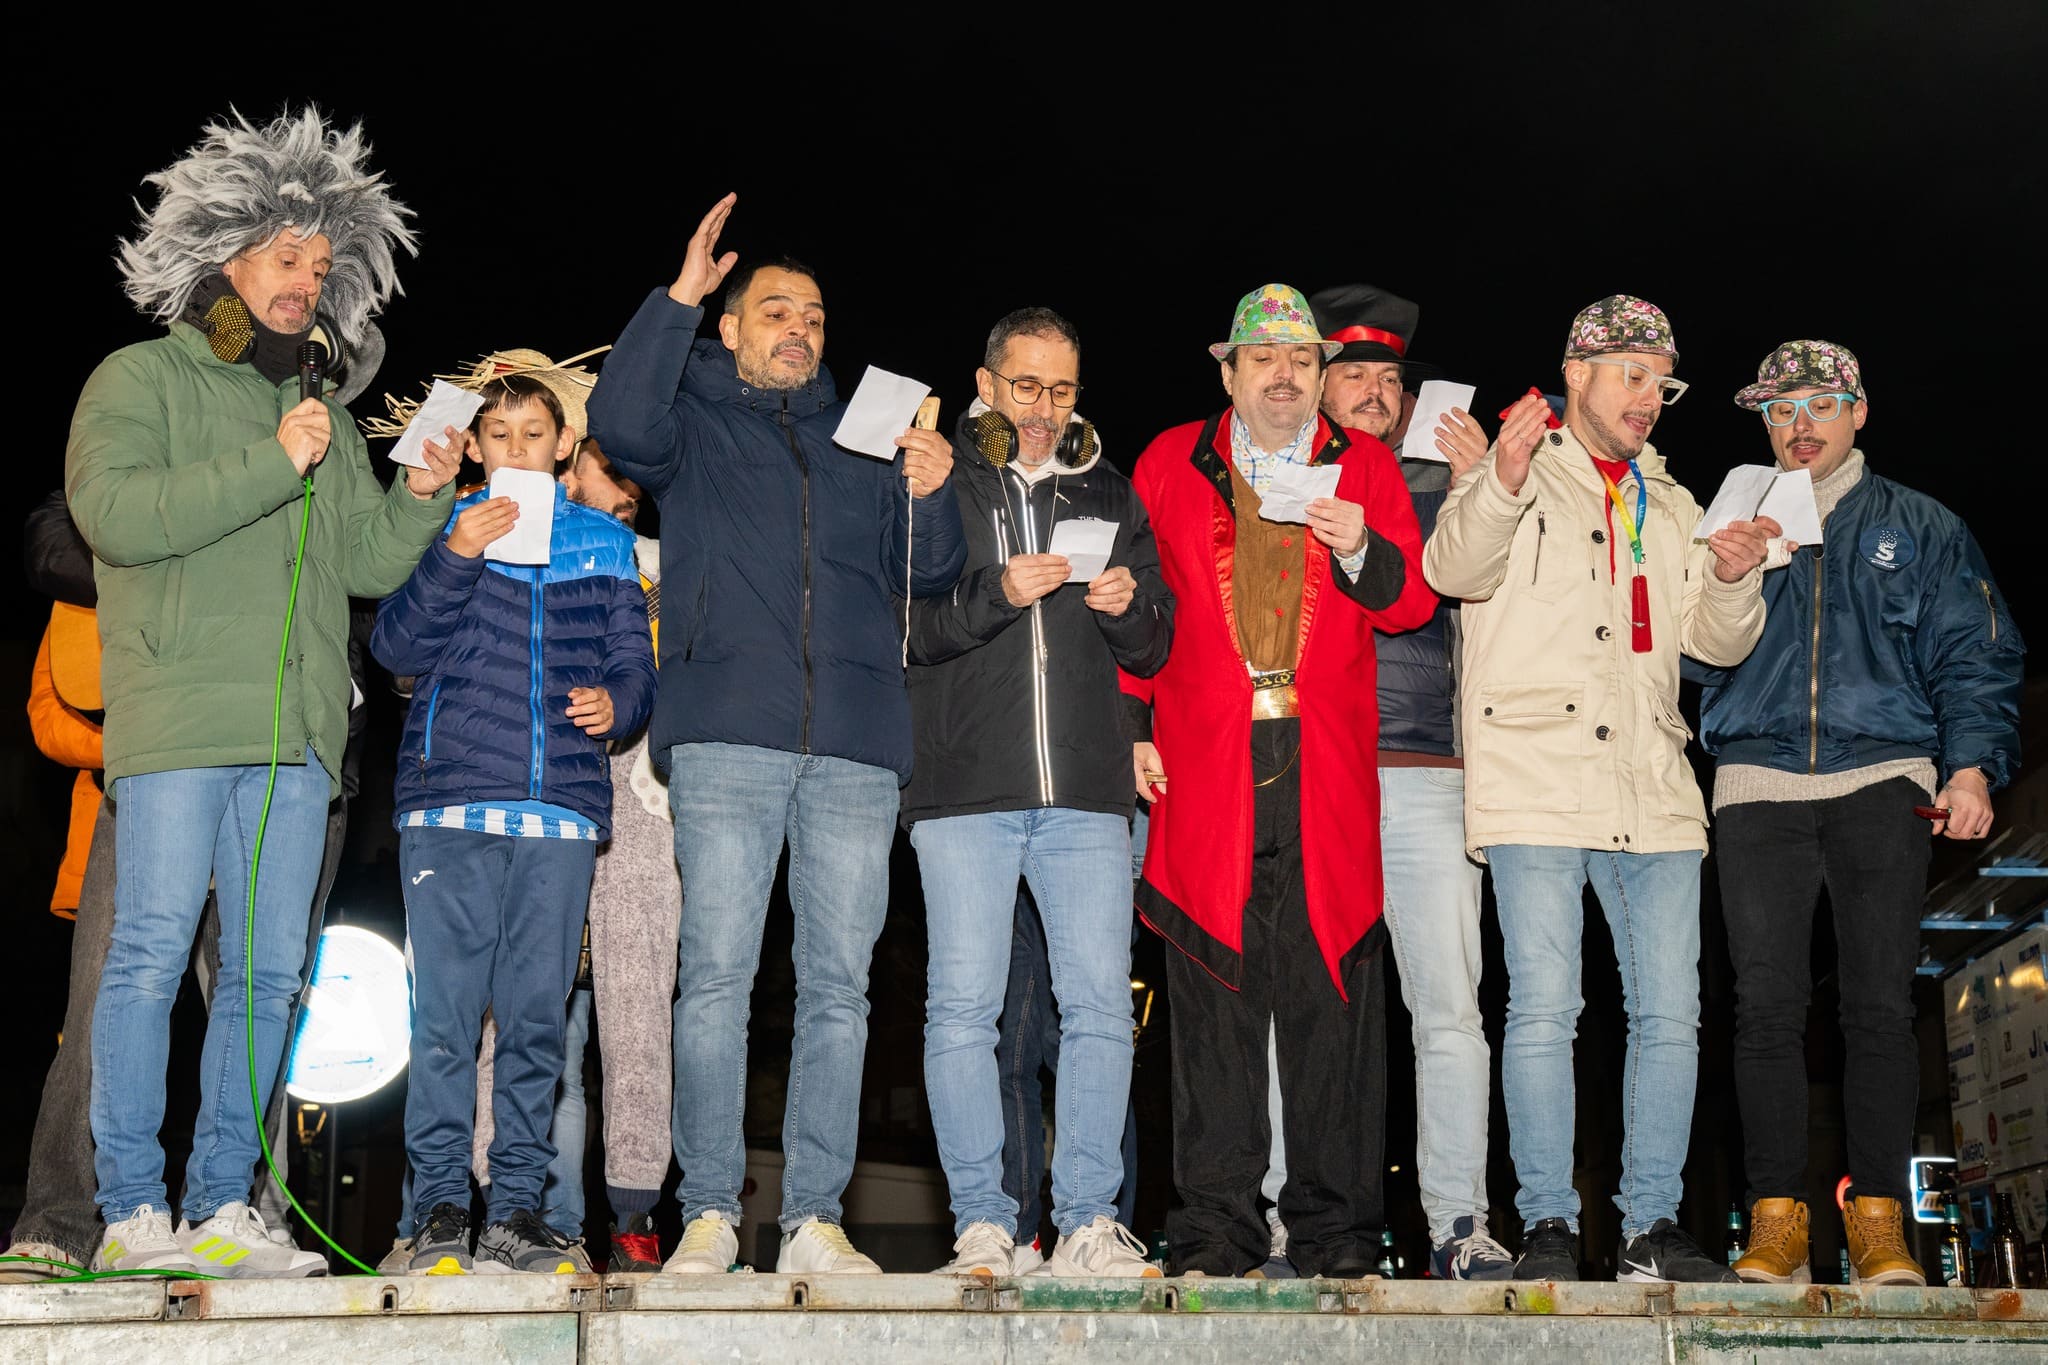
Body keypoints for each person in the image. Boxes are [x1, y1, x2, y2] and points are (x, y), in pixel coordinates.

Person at [63, 106, 458, 1278]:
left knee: (269, 975)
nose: (306, 281)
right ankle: (133, 1211)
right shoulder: (137, 379)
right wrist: (267, 459)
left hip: (295, 741)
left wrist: (422, 495)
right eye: (288, 256)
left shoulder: (328, 417)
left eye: (323, 266)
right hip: (180, 722)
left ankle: (223, 1204)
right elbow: (117, 519)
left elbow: (363, 570)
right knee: (146, 958)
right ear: (227, 253)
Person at [586, 193, 965, 1276]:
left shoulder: (866, 435)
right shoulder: (691, 417)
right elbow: (617, 427)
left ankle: (810, 1220)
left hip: (852, 743)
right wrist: (679, 296)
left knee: (839, 988)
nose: (797, 329)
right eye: (774, 312)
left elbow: (925, 573)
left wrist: (931, 493)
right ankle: (707, 1210)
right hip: (727, 738)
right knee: (715, 975)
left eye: (811, 318)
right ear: (734, 330)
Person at [1422, 294, 1772, 1284]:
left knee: (1670, 1015)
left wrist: (1737, 575)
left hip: (1651, 784)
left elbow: (1712, 641)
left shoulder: (1673, 501)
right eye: (1629, 375)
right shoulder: (1516, 470)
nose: (1647, 399)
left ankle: (1647, 1230)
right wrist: (1494, 478)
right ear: (1574, 373)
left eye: (1660, 382)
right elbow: (1450, 566)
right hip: (1534, 772)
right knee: (1544, 1008)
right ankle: (1544, 1224)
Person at [1696, 341, 2025, 1286]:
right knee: (1763, 1009)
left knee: (1878, 1006)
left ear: (1859, 412)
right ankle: (1774, 1223)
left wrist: (1969, 767)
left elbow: (1977, 651)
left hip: (1887, 776)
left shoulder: (1921, 524)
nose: (1799, 424)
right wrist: (1725, 575)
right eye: (1779, 410)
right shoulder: (1729, 519)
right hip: (1756, 781)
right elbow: (1680, 655)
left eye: (1819, 405)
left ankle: (1879, 1221)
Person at [1124, 284, 1434, 1278]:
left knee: (1328, 995)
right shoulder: (1169, 459)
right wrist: (1130, 725)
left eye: (1300, 358)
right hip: (1206, 758)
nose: (1284, 374)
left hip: (1320, 765)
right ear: (1226, 373)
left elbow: (1406, 603)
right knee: (1211, 994)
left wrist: (1357, 546)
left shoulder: (1364, 463)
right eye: (1262, 358)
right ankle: (1214, 1230)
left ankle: (1336, 1233)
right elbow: (1139, 609)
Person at [1232, 282, 1504, 1281]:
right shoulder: (1263, 472)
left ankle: (1456, 1223)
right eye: (1352, 374)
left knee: (1448, 1009)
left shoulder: (1441, 478)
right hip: (1310, 773)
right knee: (1282, 1006)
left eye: (1392, 379)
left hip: (1429, 769)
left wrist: (1490, 491)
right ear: (1308, 379)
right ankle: (1269, 1214)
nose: (1375, 394)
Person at [902, 307, 1173, 1279]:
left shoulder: (1109, 486)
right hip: (964, 788)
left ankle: (1087, 1223)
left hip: (1088, 794)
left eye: (1061, 390)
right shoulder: (942, 481)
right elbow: (903, 629)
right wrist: (994, 595)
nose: (1044, 410)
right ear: (983, 384)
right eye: (1025, 387)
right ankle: (982, 1222)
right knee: (962, 1012)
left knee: (1100, 1008)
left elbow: (1156, 641)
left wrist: (1125, 607)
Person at [371, 353, 655, 1275]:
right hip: (450, 803)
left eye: (537, 435)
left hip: (561, 813)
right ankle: (441, 1207)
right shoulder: (441, 525)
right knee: (446, 1021)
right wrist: (458, 550)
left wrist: (620, 702)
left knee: (536, 1021)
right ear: (475, 449)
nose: (520, 449)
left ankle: (520, 1209)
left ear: (565, 446)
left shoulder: (605, 544)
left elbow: (632, 664)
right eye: (500, 436)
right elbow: (396, 645)